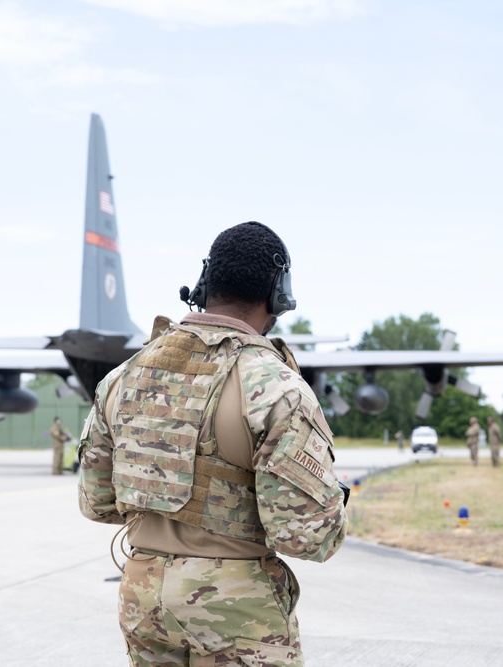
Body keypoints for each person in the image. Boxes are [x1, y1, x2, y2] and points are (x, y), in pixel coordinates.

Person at [78, 221, 348, 666]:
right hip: (234, 606)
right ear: (278, 294)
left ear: (205, 284)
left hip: (143, 596)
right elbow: (307, 537)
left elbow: (98, 504)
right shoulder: (276, 387)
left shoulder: (123, 377)